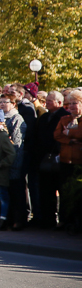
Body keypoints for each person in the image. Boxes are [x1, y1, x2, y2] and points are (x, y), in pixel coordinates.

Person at [34, 90, 68, 228]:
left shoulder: (64, 116)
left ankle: (63, 221)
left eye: (50, 100)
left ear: (59, 103)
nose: (46, 102)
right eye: (46, 100)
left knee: (61, 190)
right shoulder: (44, 117)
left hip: (60, 158)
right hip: (44, 158)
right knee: (46, 191)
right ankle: (47, 220)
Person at [0, 93, 28, 230]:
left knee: (16, 193)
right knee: (6, 193)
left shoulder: (16, 118)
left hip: (14, 161)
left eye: (5, 102)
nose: (2, 104)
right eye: (0, 102)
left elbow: (17, 142)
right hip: (2, 162)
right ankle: (7, 220)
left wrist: (10, 160)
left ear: (13, 104)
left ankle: (18, 221)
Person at [53, 91, 82, 232]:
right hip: (65, 161)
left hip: (79, 163)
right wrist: (71, 140)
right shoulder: (65, 119)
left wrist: (69, 133)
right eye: (69, 103)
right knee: (64, 190)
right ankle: (64, 220)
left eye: (74, 103)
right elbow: (57, 134)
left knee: (77, 193)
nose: (71, 106)